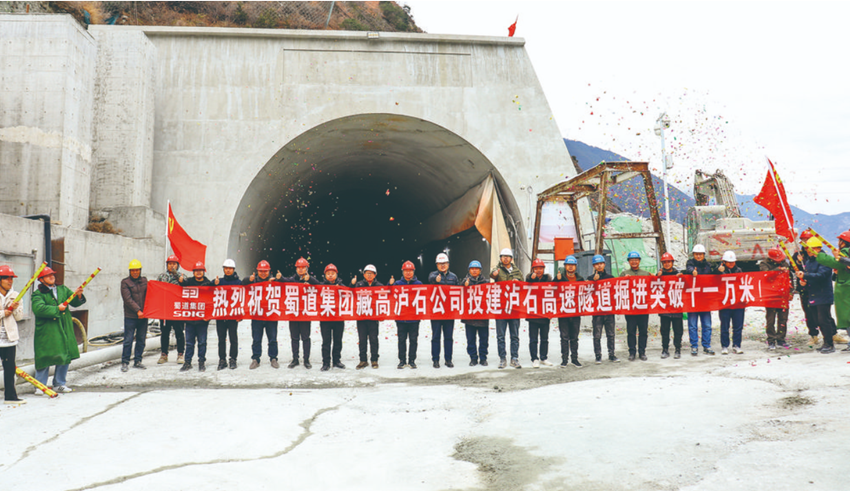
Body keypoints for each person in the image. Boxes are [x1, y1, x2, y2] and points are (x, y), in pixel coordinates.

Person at [31, 267, 85, 393]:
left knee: (65, 353)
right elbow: (38, 309)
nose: (52, 277)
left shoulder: (62, 289)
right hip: (47, 330)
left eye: (52, 275)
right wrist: (57, 309)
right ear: (41, 279)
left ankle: (59, 384)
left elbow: (75, 302)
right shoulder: (38, 294)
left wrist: (78, 295)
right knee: (44, 356)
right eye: (48, 275)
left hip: (64, 326)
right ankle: (40, 385)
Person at [796, 237, 837, 353]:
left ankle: (829, 343)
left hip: (823, 294)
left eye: (810, 249)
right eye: (807, 249)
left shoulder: (825, 260)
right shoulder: (809, 261)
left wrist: (805, 276)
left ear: (818, 249)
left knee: (824, 320)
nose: (808, 251)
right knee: (817, 320)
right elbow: (810, 276)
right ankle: (825, 342)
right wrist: (804, 281)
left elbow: (821, 275)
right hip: (812, 294)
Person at [277, 258, 319, 369]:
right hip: (293, 313)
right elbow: (284, 281)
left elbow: (321, 286)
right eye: (299, 267)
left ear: (307, 269)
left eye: (303, 267)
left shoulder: (311, 280)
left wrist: (310, 280)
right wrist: (280, 278)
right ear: (296, 269)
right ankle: (295, 359)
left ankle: (306, 359)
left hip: (305, 314)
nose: (300, 269)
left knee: (306, 338)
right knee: (294, 338)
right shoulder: (292, 280)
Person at [816, 231, 850, 350]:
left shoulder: (845, 251)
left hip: (846, 289)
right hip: (845, 286)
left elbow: (835, 263)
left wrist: (820, 255)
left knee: (847, 317)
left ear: (843, 242)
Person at [242, 260, 280, 369]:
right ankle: (255, 359)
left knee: (272, 339)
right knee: (256, 339)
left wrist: (279, 279)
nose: (263, 273)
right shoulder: (253, 281)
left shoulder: (274, 281)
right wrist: (248, 279)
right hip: (257, 315)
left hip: (271, 315)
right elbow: (241, 284)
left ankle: (273, 358)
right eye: (261, 271)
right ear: (257, 271)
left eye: (265, 271)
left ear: (269, 271)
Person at [490, 248, 523, 369]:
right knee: (501, 336)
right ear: (500, 258)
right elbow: (492, 274)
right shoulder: (497, 270)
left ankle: (514, 358)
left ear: (511, 259)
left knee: (514, 335)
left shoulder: (517, 271)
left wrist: (518, 281)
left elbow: (523, 285)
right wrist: (494, 275)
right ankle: (502, 358)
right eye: (503, 256)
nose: (505, 258)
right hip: (501, 308)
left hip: (514, 308)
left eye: (507, 256)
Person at [178, 261, 213, 371]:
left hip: (202, 320)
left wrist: (208, 316)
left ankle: (201, 362)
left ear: (204, 272)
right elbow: (180, 288)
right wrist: (180, 282)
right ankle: (187, 362)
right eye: (196, 271)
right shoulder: (188, 282)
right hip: (190, 320)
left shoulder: (208, 284)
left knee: (202, 343)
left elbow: (211, 302)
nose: (198, 272)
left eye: (200, 270)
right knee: (189, 343)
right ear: (193, 272)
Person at [619, 251, 652, 361]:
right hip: (630, 308)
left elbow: (653, 286)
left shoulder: (645, 274)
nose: (634, 262)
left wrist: (655, 277)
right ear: (628, 261)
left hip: (643, 307)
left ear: (639, 261)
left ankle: (642, 352)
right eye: (631, 260)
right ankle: (632, 352)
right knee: (631, 331)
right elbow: (618, 287)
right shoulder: (624, 274)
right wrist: (623, 280)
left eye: (636, 260)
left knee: (643, 331)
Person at [428, 253, 459, 368]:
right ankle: (435, 360)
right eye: (440, 264)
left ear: (448, 264)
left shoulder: (453, 277)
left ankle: (448, 359)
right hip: (436, 312)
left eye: (444, 263)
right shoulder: (433, 275)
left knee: (448, 337)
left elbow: (458, 291)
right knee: (436, 337)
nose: (442, 265)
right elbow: (430, 280)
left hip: (449, 312)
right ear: (436, 265)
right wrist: (435, 281)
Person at [390, 261, 422, 369]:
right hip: (401, 318)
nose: (408, 273)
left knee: (413, 340)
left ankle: (412, 360)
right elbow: (389, 295)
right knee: (401, 340)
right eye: (406, 271)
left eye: (410, 271)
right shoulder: (397, 284)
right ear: (402, 272)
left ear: (414, 271)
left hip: (414, 318)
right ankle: (402, 360)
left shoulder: (419, 284)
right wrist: (390, 285)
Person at [0, 265, 25, 404]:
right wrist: (3, 313)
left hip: (9, 338)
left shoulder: (16, 295)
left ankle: (10, 396)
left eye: (11, 278)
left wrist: (15, 309)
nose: (10, 281)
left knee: (9, 368)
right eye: (6, 278)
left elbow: (19, 317)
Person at [685, 244, 716, 356]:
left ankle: (706, 345)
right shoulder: (690, 264)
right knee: (692, 325)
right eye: (696, 254)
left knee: (707, 325)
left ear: (704, 255)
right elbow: (688, 269)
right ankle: (694, 346)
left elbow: (713, 276)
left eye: (700, 254)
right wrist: (692, 272)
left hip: (705, 300)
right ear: (693, 255)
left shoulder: (708, 265)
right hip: (693, 300)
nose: (698, 256)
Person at [555, 255, 586, 368]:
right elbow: (552, 289)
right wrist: (557, 280)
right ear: (565, 266)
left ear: (576, 267)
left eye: (573, 265)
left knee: (574, 337)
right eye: (568, 265)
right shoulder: (560, 278)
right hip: (563, 312)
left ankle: (574, 359)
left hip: (575, 312)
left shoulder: (580, 279)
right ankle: (564, 359)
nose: (571, 267)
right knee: (564, 337)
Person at [759, 248, 792, 350]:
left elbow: (789, 278)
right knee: (771, 319)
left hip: (783, 295)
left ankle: (781, 339)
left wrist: (791, 292)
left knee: (783, 319)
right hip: (770, 295)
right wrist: (778, 270)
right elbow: (766, 275)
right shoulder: (764, 264)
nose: (779, 261)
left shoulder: (785, 263)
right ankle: (771, 340)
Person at [351, 264, 383, 369]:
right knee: (362, 339)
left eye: (371, 273)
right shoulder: (359, 285)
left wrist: (390, 285)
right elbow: (350, 294)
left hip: (373, 318)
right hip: (362, 317)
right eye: (367, 273)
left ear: (375, 275)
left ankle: (374, 360)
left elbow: (386, 297)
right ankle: (363, 360)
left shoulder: (379, 285)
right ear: (364, 274)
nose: (369, 275)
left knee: (374, 339)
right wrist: (352, 284)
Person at [588, 255, 618, 363]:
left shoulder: (610, 277)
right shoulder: (590, 278)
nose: (599, 266)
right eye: (597, 264)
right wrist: (593, 282)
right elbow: (587, 292)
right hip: (597, 312)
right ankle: (598, 355)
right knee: (597, 335)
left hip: (609, 310)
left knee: (611, 334)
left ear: (604, 264)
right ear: (593, 266)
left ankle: (612, 354)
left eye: (601, 263)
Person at [120, 259, 148, 372]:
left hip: (143, 316)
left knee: (141, 339)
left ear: (140, 270)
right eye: (133, 270)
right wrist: (138, 310)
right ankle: (125, 362)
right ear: (130, 271)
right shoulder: (125, 283)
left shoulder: (144, 281)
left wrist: (146, 311)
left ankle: (138, 361)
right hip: (131, 316)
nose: (135, 272)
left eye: (137, 270)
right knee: (128, 340)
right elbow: (128, 299)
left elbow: (150, 295)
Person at [157, 255, 185, 365]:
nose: (172, 266)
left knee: (179, 332)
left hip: (177, 308)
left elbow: (186, 286)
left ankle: (180, 354)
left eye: (174, 264)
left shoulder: (182, 276)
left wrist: (177, 275)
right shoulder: (162, 277)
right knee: (165, 332)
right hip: (165, 309)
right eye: (170, 264)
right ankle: (164, 354)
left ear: (177, 265)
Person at [525, 259, 553, 368]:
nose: (538, 270)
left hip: (545, 313)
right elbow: (526, 282)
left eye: (540, 268)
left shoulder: (548, 279)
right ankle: (534, 358)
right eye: (536, 268)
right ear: (533, 269)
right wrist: (532, 279)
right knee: (533, 339)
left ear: (544, 269)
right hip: (533, 314)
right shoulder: (530, 279)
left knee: (544, 338)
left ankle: (543, 357)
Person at [213, 259, 241, 370]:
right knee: (221, 339)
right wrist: (213, 283)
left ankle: (233, 359)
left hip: (233, 316)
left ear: (233, 270)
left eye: (230, 268)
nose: (228, 270)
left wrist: (240, 315)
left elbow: (242, 299)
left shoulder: (238, 283)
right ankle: (222, 360)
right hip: (221, 316)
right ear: (223, 269)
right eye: (226, 268)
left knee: (233, 338)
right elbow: (206, 288)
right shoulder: (219, 281)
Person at [461, 260, 490, 366]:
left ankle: (483, 358)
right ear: (469, 270)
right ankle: (473, 358)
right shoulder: (465, 282)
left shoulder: (486, 282)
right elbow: (458, 294)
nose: (474, 271)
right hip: (469, 317)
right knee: (470, 339)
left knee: (484, 339)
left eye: (476, 269)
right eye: (472, 269)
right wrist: (464, 286)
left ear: (480, 270)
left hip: (482, 316)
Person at [792, 231, 819, 344]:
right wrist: (798, 262)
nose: (806, 242)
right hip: (804, 287)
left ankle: (832, 333)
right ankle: (813, 335)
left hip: (817, 287)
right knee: (808, 312)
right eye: (804, 240)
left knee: (822, 312)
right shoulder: (798, 254)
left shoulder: (817, 254)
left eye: (807, 240)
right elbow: (793, 268)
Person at [717, 251, 745, 355]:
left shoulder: (739, 270)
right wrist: (719, 272)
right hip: (725, 303)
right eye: (729, 262)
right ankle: (724, 345)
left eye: (733, 262)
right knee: (725, 326)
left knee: (738, 326)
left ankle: (737, 345)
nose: (731, 264)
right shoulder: (719, 270)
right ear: (724, 262)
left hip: (737, 302)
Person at [656, 252, 684, 359]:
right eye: (665, 262)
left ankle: (677, 349)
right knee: (664, 331)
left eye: (669, 262)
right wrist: (656, 277)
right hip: (665, 308)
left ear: (672, 262)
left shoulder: (678, 274)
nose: (667, 264)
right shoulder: (660, 275)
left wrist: (682, 277)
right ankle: (665, 349)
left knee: (678, 331)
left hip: (676, 307)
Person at [319, 264, 346, 371]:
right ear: (325, 275)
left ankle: (336, 361)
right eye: (328, 273)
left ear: (336, 274)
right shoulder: (320, 286)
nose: (330, 275)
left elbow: (350, 295)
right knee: (326, 341)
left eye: (332, 273)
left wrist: (342, 289)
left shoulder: (342, 286)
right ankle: (326, 363)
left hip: (338, 318)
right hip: (325, 318)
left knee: (337, 340)